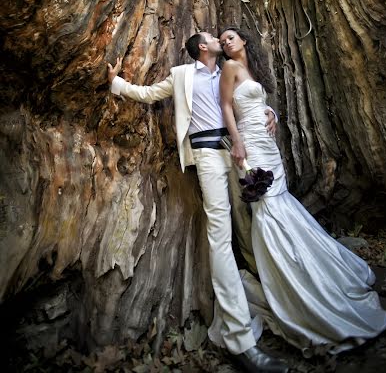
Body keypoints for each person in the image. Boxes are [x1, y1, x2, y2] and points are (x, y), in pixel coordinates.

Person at [107, 32, 288, 373]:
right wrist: (114, 82)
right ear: (202, 46)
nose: (220, 38)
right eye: (212, 37)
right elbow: (147, 94)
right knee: (219, 233)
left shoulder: (230, 70)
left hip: (239, 153)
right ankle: (240, 340)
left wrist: (270, 113)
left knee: (251, 224)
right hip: (206, 155)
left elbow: (249, 103)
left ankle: (282, 298)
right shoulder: (181, 75)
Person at [218, 26, 386, 356]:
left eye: (231, 37)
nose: (227, 42)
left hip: (268, 145)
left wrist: (275, 115)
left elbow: (260, 106)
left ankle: (312, 273)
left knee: (281, 203)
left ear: (243, 40)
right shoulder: (229, 68)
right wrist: (237, 142)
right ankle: (291, 288)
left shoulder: (252, 68)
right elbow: (227, 106)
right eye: (222, 40)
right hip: (250, 146)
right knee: (267, 210)